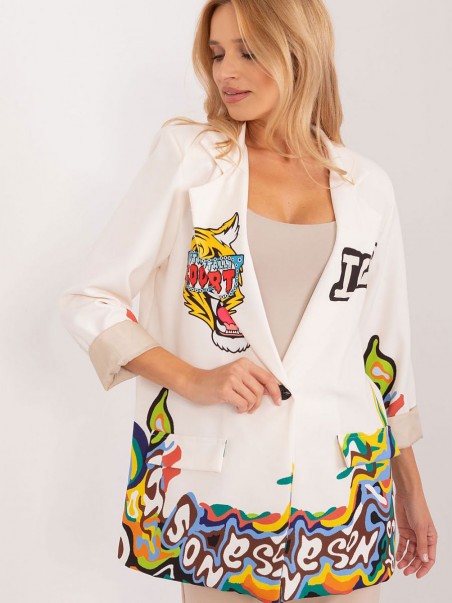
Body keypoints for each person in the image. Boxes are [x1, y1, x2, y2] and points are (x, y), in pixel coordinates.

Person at [58, 1, 437, 602]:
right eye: (217, 54)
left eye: (248, 51)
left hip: (345, 500)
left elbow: (385, 351)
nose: (226, 72)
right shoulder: (193, 160)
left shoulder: (368, 188)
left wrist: (409, 486)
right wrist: (193, 378)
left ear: (299, 52)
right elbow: (91, 299)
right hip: (218, 509)